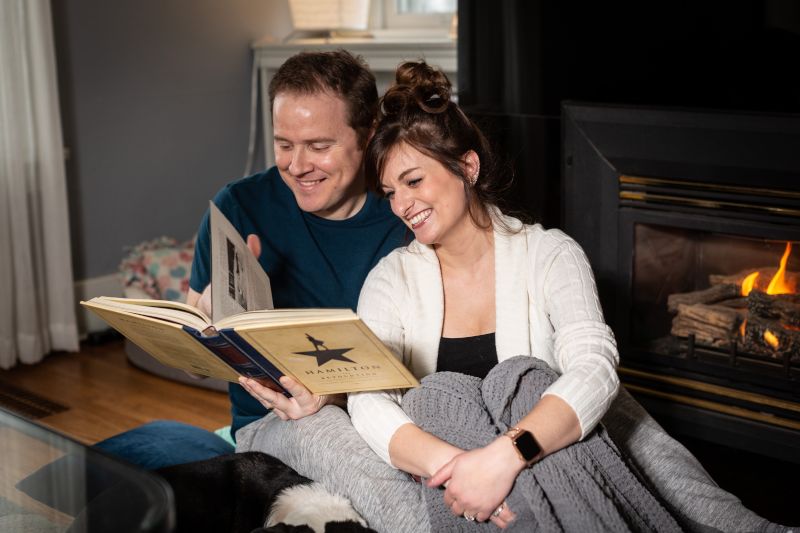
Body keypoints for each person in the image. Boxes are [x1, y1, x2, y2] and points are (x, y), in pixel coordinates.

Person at [237, 61, 789, 533]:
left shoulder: (549, 254)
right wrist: (464, 468)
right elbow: (370, 402)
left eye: (414, 181)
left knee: (548, 386)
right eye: (389, 192)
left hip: (536, 443)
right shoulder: (391, 279)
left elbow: (595, 366)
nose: (403, 205)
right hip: (456, 472)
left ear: (467, 167)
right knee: (438, 396)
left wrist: (507, 456)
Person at [94, 49, 407, 469]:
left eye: (318, 146)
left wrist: (332, 396)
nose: (297, 166)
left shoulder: (405, 216)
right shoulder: (238, 206)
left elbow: (421, 369)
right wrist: (205, 323)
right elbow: (195, 371)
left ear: (367, 137)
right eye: (284, 144)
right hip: (270, 423)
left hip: (381, 416)